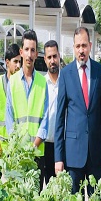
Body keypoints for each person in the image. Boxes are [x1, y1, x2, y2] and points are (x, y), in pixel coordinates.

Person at [54, 27, 101, 201]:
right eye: (78, 46)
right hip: (73, 155)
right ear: (73, 47)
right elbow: (59, 119)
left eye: (84, 45)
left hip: (95, 154)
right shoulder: (65, 74)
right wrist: (59, 157)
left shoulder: (100, 72)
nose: (81, 50)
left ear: (90, 46)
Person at [6, 29, 48, 192]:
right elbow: (9, 118)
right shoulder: (13, 82)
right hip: (18, 155)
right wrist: (19, 148)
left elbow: (45, 119)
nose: (29, 55)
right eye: (27, 50)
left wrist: (33, 146)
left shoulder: (42, 83)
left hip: (36, 154)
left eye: (33, 50)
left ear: (36, 53)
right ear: (21, 52)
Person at [0, 43, 21, 180]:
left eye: (20, 61)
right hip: (0, 146)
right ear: (7, 62)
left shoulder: (23, 85)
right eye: (15, 61)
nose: (18, 65)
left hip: (16, 147)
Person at [43, 40, 60, 184]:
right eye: (49, 57)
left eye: (54, 56)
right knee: (46, 193)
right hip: (44, 146)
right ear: (45, 59)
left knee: (64, 191)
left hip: (62, 146)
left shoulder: (66, 82)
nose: (52, 61)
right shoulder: (41, 84)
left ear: (59, 56)